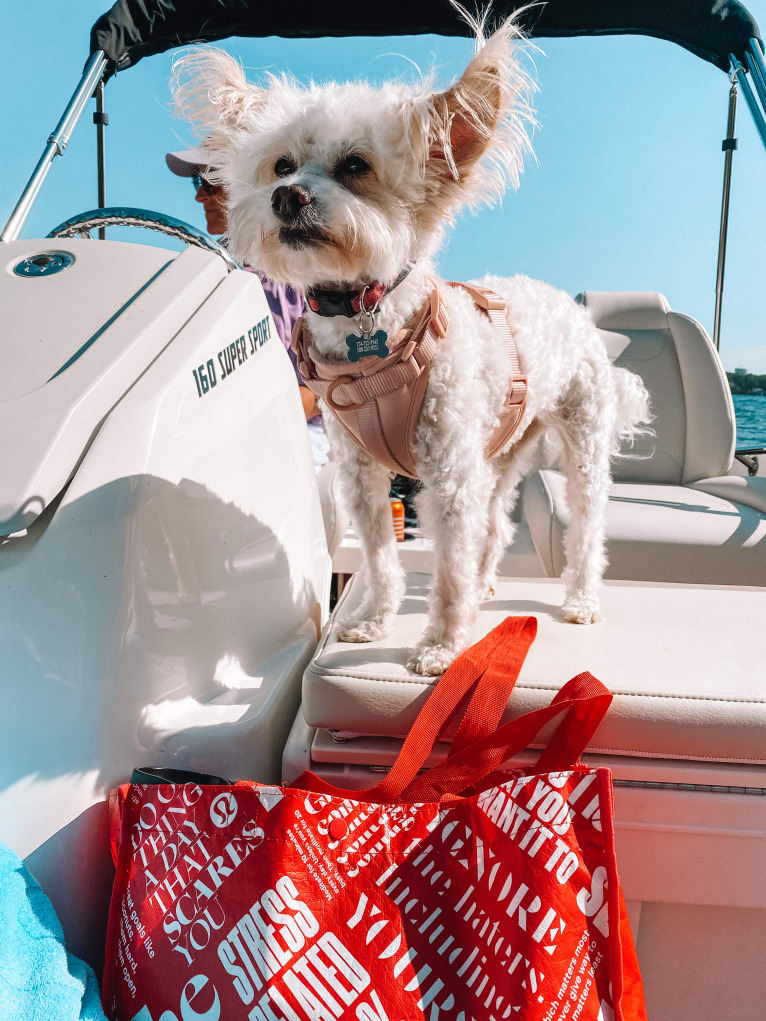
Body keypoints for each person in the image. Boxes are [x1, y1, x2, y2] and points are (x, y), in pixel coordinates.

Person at [165, 147, 330, 467]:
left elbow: (327, 388)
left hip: (293, 436)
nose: (200, 195)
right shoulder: (203, 265)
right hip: (212, 432)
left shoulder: (303, 267)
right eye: (198, 182)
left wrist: (243, 415)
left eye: (211, 181)